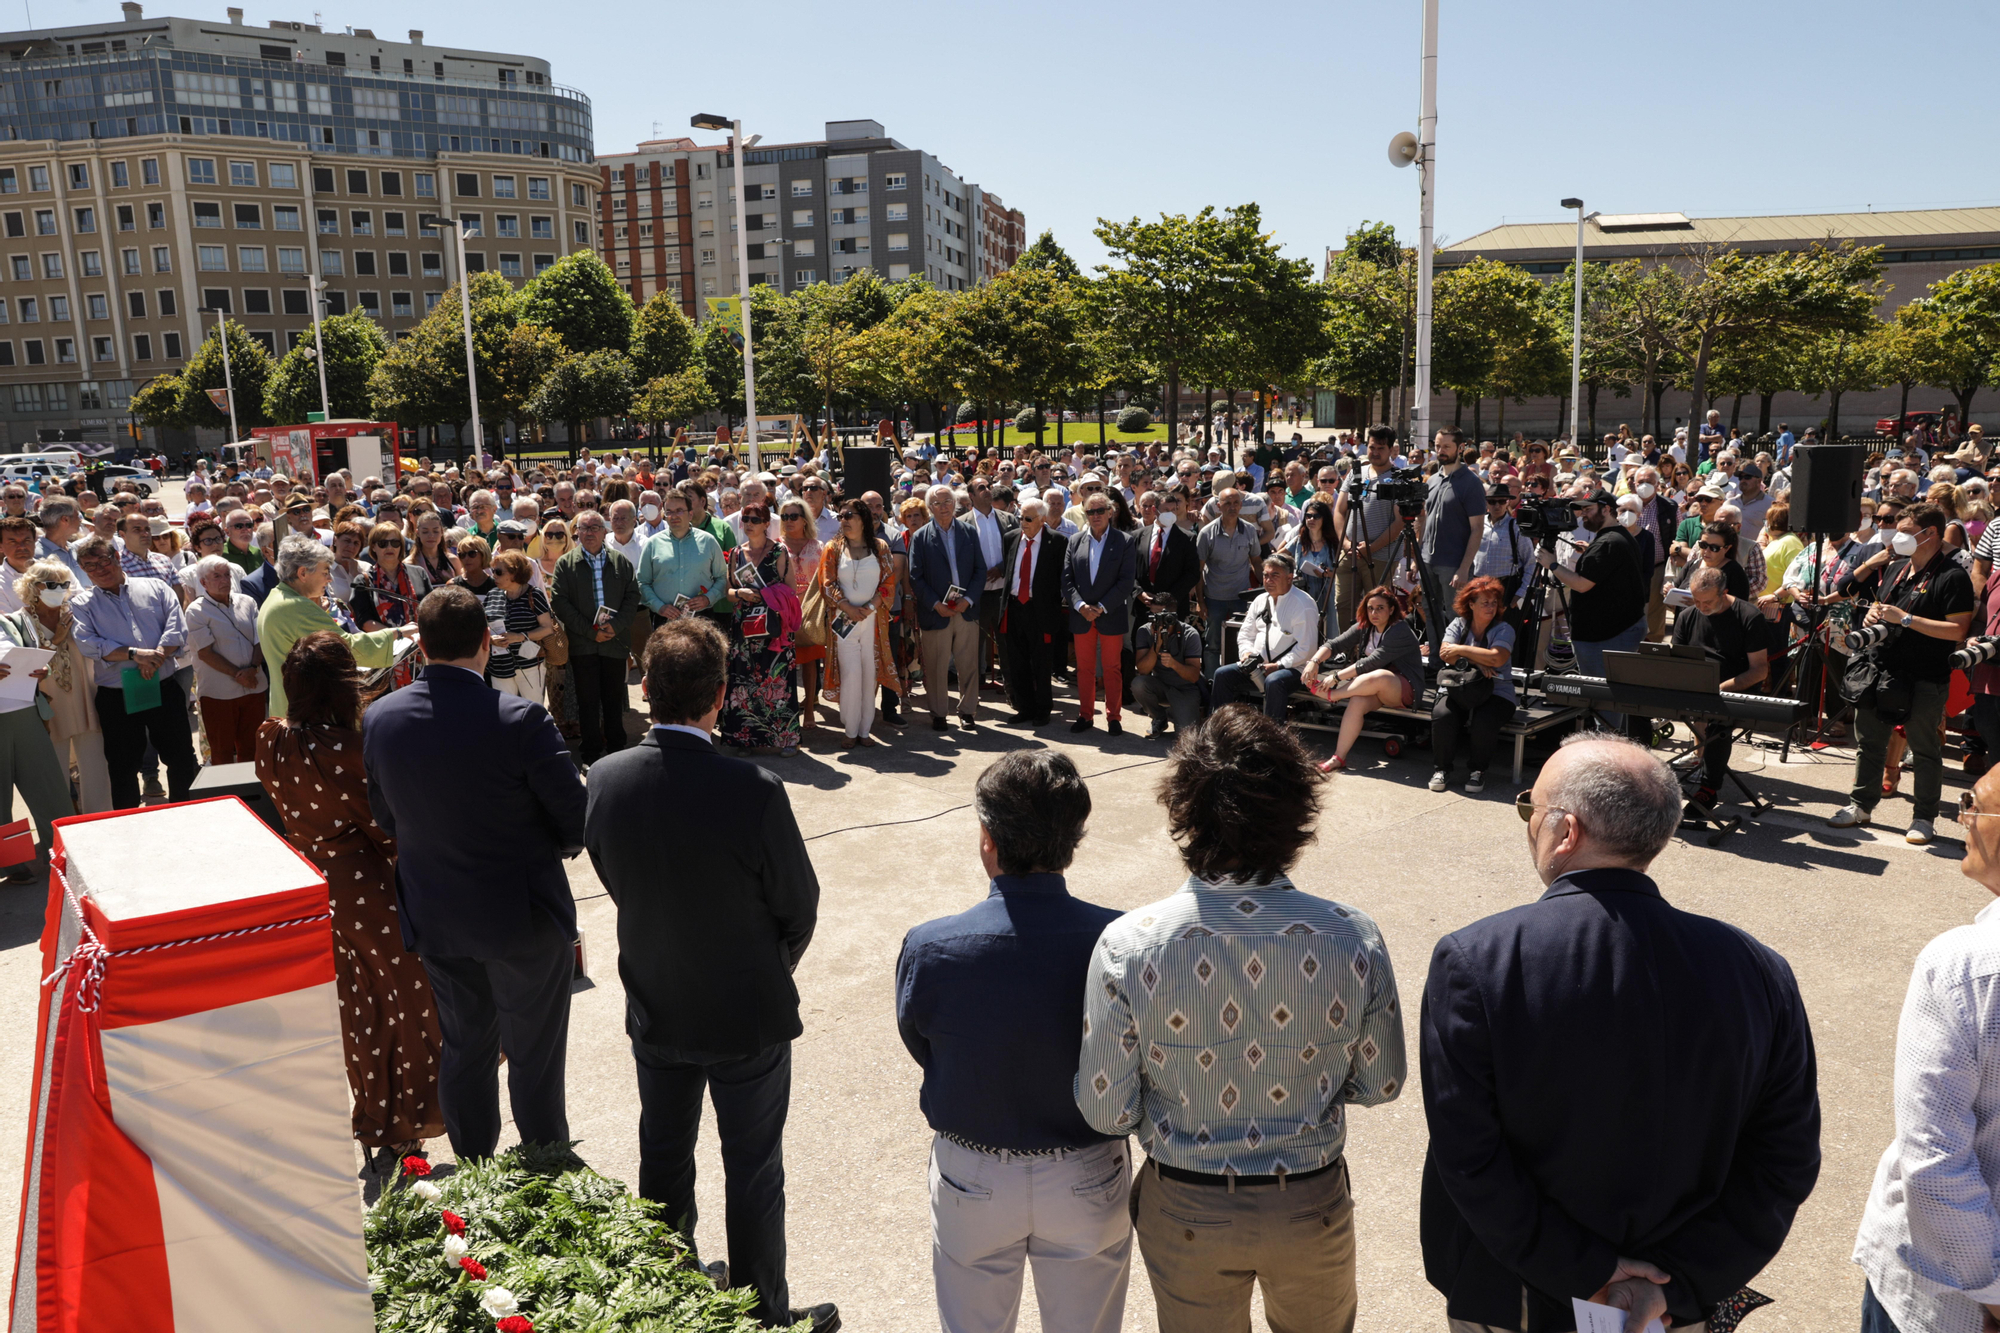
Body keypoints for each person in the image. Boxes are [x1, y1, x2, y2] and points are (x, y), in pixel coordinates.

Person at [1421, 734, 1819, 1333]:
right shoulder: (1758, 969)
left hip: (1517, 1291)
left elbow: (1470, 1155)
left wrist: (1588, 1270)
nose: (1528, 823)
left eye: (1531, 808)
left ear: (1567, 831)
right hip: (1671, 1305)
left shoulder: (1479, 959)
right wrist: (1677, 1282)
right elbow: (1784, 1159)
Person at [1077, 707, 1404, 1333]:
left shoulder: (1128, 944)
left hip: (1187, 1206)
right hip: (1311, 1203)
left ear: (1183, 811)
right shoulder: (1351, 935)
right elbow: (1381, 1084)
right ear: (1297, 814)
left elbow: (1107, 1112)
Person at [582, 618, 836, 1333]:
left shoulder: (604, 777)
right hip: (745, 1013)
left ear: (645, 689)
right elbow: (799, 907)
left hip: (657, 1001)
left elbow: (616, 876)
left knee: (663, 1162)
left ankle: (669, 1306)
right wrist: (761, 966)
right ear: (721, 696)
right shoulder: (752, 787)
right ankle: (763, 1315)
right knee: (752, 1169)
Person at [895, 751, 1129, 1333]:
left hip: (972, 1172)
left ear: (987, 840)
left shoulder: (931, 946)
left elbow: (922, 1041)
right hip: (1088, 1169)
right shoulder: (1122, 941)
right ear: (1073, 840)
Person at [364, 586, 588, 1163]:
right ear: (487, 644)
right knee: (534, 1057)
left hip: (437, 913)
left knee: (465, 1047)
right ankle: (544, 1176)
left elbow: (387, 817)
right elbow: (573, 819)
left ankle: (474, 1175)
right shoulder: (521, 719)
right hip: (523, 917)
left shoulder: (381, 718)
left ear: (421, 646)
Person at [255, 632, 443, 1178]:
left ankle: (375, 1117)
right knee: (408, 1009)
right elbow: (388, 830)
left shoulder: (271, 737)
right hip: (371, 891)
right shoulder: (343, 752)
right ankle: (405, 1125)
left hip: (316, 886)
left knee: (359, 1011)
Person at [1857, 763, 2000, 1332]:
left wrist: (1992, 1292)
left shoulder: (1967, 966)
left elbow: (1935, 1160)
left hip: (1948, 1300)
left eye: (1975, 804)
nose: (1962, 817)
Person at [1829, 503, 1974, 843]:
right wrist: (1871, 618)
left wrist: (1906, 619)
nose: (1898, 538)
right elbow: (1881, 609)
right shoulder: (1895, 569)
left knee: (1924, 749)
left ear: (1931, 534)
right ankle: (1860, 804)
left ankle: (1924, 818)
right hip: (1880, 670)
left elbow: (1957, 630)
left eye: (1907, 533)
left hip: (1925, 676)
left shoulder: (1952, 576)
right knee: (1869, 742)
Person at [70, 535, 196, 811]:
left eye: (104, 560)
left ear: (116, 557)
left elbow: (177, 626)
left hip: (164, 687)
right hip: (118, 696)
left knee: (182, 758)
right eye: (90, 566)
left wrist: (157, 656)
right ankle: (128, 824)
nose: (99, 569)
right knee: (122, 767)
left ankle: (186, 814)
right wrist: (135, 654)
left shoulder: (155, 587)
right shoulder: (82, 604)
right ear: (83, 570)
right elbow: (89, 644)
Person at [257, 535, 409, 718]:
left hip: (292, 707)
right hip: (307, 714)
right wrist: (397, 634)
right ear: (303, 573)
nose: (329, 579)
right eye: (325, 572)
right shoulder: (296, 606)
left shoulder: (277, 596)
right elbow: (346, 647)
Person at [1536, 488, 1648, 728]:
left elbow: (1581, 584)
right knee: (1611, 700)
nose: (1583, 515)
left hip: (1608, 635)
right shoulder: (1616, 537)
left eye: (1588, 509)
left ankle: (1607, 751)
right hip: (1615, 630)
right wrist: (1589, 553)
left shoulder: (1608, 542)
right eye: (1582, 510)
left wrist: (1551, 563)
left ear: (1606, 509)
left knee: (1604, 701)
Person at [1672, 566, 1774, 818]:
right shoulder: (1688, 616)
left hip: (1733, 688)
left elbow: (1759, 671)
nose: (1700, 606)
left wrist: (1717, 689)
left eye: (1706, 601)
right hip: (1697, 687)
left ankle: (1708, 788)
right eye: (1695, 600)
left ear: (1725, 593)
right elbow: (1676, 662)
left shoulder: (1748, 616)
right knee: (1636, 707)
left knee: (1718, 725)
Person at [550, 509, 642, 768]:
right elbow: (559, 601)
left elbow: (632, 596)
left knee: (613, 698)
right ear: (576, 531)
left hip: (614, 642)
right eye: (584, 528)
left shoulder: (620, 561)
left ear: (605, 532)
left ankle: (616, 749)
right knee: (587, 700)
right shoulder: (566, 563)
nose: (589, 532)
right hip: (583, 644)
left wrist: (615, 626)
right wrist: (591, 631)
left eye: (595, 527)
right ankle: (591, 753)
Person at [16, 559, 108, 814]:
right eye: (51, 584)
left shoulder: (78, 613)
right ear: (34, 586)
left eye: (64, 584)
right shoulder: (18, 622)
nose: (59, 589)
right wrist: (55, 640)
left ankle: (100, 821)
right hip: (48, 706)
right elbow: (25, 667)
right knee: (53, 776)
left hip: (86, 698)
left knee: (97, 770)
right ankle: (60, 827)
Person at [1304, 585, 1426, 773]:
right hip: (1373, 686)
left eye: (1380, 608)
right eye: (1370, 608)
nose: (1374, 613)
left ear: (1392, 609)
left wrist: (1336, 677)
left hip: (1405, 688)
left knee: (1378, 675)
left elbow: (1372, 662)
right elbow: (1335, 644)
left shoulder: (1400, 630)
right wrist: (1314, 661)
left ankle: (1332, 696)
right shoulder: (1365, 627)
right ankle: (1338, 758)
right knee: (1357, 702)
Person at [818, 500, 898, 749]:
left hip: (873, 621)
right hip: (844, 621)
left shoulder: (881, 547)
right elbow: (827, 583)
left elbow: (888, 583)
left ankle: (865, 730)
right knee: (851, 674)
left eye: (849, 515)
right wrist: (848, 608)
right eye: (841, 515)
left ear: (863, 518)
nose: (843, 519)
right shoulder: (832, 548)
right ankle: (850, 730)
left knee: (869, 674)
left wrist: (871, 606)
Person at [910, 483, 988, 731]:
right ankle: (939, 713)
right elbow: (915, 577)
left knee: (968, 665)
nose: (943, 507)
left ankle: (967, 711)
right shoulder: (920, 537)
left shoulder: (968, 531)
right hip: (937, 612)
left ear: (955, 503)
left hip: (966, 610)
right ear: (929, 508)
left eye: (947, 502)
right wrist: (935, 604)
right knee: (935, 666)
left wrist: (969, 599)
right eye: (937, 503)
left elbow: (980, 570)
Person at [1429, 576, 1517, 795]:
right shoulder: (1458, 624)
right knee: (1443, 715)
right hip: (1459, 686)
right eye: (1484, 602)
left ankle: (1477, 771)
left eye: (1494, 602)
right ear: (1471, 604)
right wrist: (1478, 661)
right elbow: (1444, 654)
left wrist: (1461, 651)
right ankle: (1441, 769)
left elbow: (1497, 659)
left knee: (1484, 721)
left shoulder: (1504, 629)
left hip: (1497, 690)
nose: (1490, 607)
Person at [1212, 554, 1320, 721]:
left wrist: (1279, 665)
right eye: (1265, 575)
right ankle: (1220, 728)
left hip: (1294, 669)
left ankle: (1271, 736)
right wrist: (1247, 654)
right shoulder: (1260, 600)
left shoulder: (1303, 604)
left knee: (1274, 681)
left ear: (1290, 578)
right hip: (1259, 666)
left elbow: (1307, 649)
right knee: (1222, 674)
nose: (1268, 580)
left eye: (1275, 575)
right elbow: (1245, 634)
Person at [1064, 490, 1136, 736]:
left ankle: (1114, 717)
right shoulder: (1074, 541)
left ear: (1110, 512)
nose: (1095, 516)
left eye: (1100, 511)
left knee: (1112, 668)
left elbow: (1126, 581)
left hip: (1111, 614)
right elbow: (1067, 580)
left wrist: (1102, 607)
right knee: (1084, 670)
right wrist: (1080, 606)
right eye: (1090, 511)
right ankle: (1085, 715)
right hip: (1081, 615)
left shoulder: (1124, 541)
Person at [184, 553, 268, 764]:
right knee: (221, 753)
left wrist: (253, 669)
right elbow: (205, 653)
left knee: (254, 748)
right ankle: (228, 796)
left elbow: (260, 639)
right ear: (203, 582)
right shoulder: (196, 611)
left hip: (254, 686)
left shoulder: (247, 602)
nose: (224, 580)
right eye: (217, 576)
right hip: (219, 693)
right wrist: (240, 675)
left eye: (227, 575)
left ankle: (253, 795)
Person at [1332, 427, 1412, 630]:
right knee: (1343, 605)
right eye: (1372, 447)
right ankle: (1346, 653)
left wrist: (1370, 547)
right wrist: (1347, 544)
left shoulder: (1399, 478)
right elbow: (1340, 511)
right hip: (1348, 554)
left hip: (1380, 557)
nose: (1375, 452)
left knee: (1379, 610)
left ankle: (1374, 653)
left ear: (1391, 449)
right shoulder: (1356, 473)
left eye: (1381, 448)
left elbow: (1399, 523)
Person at [997, 497, 1066, 727]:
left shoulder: (1057, 542)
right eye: (1020, 518)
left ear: (1042, 520)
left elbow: (1061, 578)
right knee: (1017, 661)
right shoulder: (1010, 538)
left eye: (1028, 519)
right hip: (1015, 607)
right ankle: (1024, 707)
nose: (1023, 523)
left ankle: (1043, 709)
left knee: (1042, 663)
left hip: (1041, 610)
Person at [1421, 429, 1488, 661]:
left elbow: (1477, 529)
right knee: (1430, 612)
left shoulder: (1471, 483)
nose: (1440, 451)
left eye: (1446, 446)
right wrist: (1416, 559)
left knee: (1456, 615)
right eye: (1438, 446)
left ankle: (1458, 664)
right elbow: (1425, 520)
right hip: (1427, 561)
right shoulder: (1431, 480)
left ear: (1459, 448)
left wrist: (1463, 567)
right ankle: (1436, 662)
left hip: (1454, 564)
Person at [1194, 488, 1261, 675]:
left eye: (1236, 502)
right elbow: (1198, 571)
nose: (1232, 507)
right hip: (1214, 598)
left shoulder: (1249, 531)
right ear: (1218, 506)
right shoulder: (1207, 533)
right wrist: (1200, 602)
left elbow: (1256, 561)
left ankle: (1236, 684)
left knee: (1240, 643)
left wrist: (1265, 590)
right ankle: (1212, 685)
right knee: (1212, 645)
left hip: (1241, 598)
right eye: (1227, 503)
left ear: (1241, 505)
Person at [485, 550, 557, 702]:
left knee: (533, 711)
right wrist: (491, 640)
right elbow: (483, 628)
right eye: (493, 571)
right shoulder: (492, 595)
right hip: (499, 666)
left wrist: (520, 636)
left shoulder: (534, 594)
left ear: (514, 573)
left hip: (529, 664)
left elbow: (547, 628)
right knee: (505, 714)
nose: (493, 576)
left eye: (498, 572)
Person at [1129, 601, 1203, 740]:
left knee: (1186, 738)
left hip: (1184, 689)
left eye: (1162, 616)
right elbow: (1143, 670)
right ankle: (1159, 717)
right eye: (1153, 616)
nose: (1157, 621)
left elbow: (1194, 676)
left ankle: (1181, 711)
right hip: (1160, 685)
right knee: (1138, 683)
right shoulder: (1144, 631)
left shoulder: (1189, 634)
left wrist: (1174, 664)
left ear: (1173, 616)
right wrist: (1156, 645)